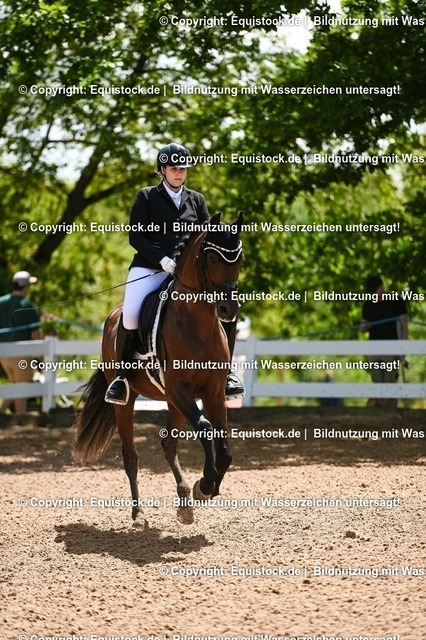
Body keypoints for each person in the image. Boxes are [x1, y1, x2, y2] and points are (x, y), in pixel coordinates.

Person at [105, 142, 245, 404]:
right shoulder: (147, 197)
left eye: (183, 168)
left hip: (189, 274)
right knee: (131, 314)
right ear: (162, 170)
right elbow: (136, 236)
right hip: (150, 267)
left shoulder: (196, 200)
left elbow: (205, 238)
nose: (179, 173)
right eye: (173, 168)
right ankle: (121, 377)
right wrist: (162, 260)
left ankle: (226, 375)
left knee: (226, 310)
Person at [361, 275, 408, 407]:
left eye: (375, 291)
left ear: (382, 287)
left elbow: (404, 326)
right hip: (373, 349)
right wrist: (365, 326)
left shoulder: (396, 301)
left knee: (390, 382)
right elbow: (362, 327)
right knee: (377, 382)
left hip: (392, 348)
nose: (374, 295)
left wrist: (404, 349)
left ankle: (391, 411)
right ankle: (379, 411)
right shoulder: (368, 305)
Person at [0, 271, 42, 413]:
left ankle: (2, 413)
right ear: (26, 286)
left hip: (3, 354)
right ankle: (21, 418)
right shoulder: (27, 305)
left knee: (16, 386)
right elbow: (36, 333)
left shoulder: (1, 302)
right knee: (22, 389)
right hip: (21, 354)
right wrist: (39, 354)